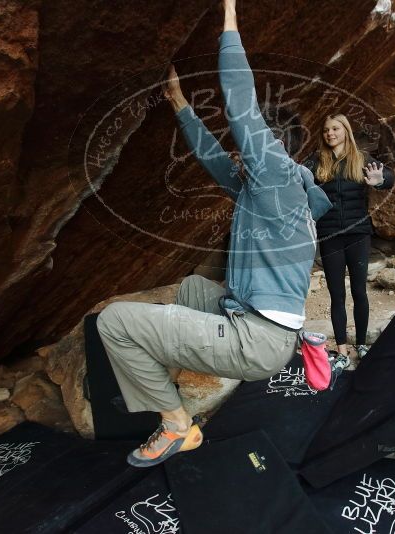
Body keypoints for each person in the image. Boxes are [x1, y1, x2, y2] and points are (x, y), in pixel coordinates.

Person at [95, 0, 332, 468]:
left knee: (115, 322)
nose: (238, 151)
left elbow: (240, 104)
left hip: (256, 341)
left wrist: (229, 17)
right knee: (190, 290)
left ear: (273, 146)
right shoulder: (269, 192)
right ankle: (157, 373)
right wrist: (180, 103)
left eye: (250, 145)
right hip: (258, 326)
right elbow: (213, 159)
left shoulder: (277, 177)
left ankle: (177, 426)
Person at [303, 115, 395, 360]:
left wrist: (380, 181)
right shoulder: (315, 161)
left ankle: (362, 345)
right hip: (330, 234)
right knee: (337, 294)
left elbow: (390, 177)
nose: (330, 133)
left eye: (335, 128)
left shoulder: (361, 158)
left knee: (359, 291)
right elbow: (296, 180)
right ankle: (342, 350)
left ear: (346, 131)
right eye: (325, 130)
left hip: (358, 233)